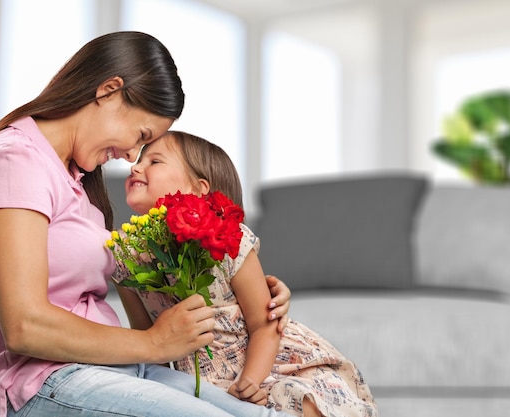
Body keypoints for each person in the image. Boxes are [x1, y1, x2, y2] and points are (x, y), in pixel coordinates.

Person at [0, 31, 293, 417]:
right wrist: (154, 343)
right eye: (141, 136)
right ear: (109, 91)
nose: (131, 154)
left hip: (118, 368)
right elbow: (24, 326)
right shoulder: (15, 160)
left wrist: (254, 293)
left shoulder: (74, 181)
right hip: (44, 382)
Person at [113, 131, 379, 417]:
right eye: (140, 160)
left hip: (267, 365)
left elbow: (264, 325)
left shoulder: (229, 241)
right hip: (196, 380)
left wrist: (250, 382)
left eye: (154, 161)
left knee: (304, 402)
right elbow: (146, 338)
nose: (135, 167)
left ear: (199, 189)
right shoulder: (126, 256)